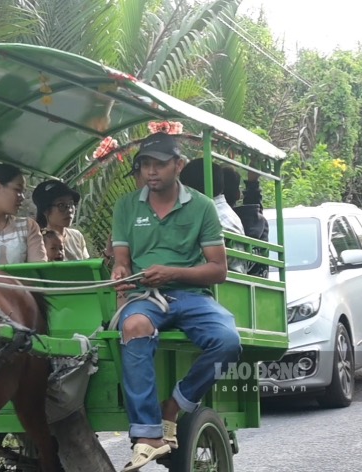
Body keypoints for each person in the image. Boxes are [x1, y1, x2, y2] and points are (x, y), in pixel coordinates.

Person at [110, 132, 241, 472]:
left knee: (227, 341)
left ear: (178, 165)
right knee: (133, 326)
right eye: (145, 165)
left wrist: (171, 273)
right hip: (145, 295)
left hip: (191, 295)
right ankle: (148, 435)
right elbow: (121, 258)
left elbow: (218, 270)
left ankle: (175, 407)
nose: (151, 172)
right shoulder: (126, 205)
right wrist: (121, 271)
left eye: (159, 164)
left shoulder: (202, 206)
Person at [180, 159, 247, 273]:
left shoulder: (211, 215)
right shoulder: (226, 212)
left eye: (184, 187)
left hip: (221, 280)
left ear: (193, 188)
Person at [222, 165, 270, 277]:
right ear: (238, 195)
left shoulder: (217, 218)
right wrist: (253, 181)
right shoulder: (253, 220)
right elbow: (252, 210)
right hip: (258, 279)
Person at [32, 179, 90, 261]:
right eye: (61, 205)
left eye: (71, 204)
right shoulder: (37, 240)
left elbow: (88, 268)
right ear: (45, 210)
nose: (69, 210)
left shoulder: (76, 236)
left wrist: (107, 255)